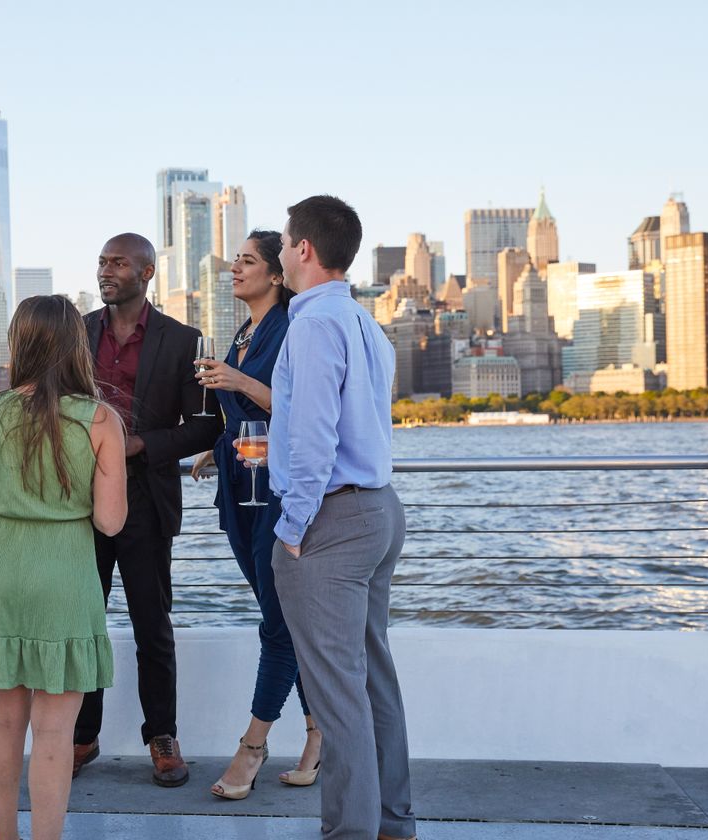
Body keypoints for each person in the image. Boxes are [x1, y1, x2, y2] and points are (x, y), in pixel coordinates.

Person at [268, 195, 416, 840]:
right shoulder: (364, 323)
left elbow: (314, 435)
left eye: (281, 242)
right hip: (379, 511)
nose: (277, 252)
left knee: (338, 695)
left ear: (304, 250)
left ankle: (352, 834)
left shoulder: (313, 324)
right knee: (372, 678)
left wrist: (292, 527)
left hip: (332, 520)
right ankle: (391, 823)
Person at [0, 294, 128, 840]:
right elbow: (110, 522)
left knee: (3, 721)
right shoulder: (101, 420)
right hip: (65, 577)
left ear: (20, 344)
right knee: (54, 733)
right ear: (77, 345)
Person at [72, 232, 224, 787]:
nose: (105, 271)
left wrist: (141, 445)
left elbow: (207, 424)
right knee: (83, 624)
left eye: (117, 263)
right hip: (78, 504)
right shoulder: (77, 332)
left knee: (152, 627)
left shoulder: (183, 341)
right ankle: (82, 736)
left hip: (146, 501)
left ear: (147, 272)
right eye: (101, 261)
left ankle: (162, 734)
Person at [189, 230, 319, 800]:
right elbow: (243, 420)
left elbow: (296, 407)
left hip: (281, 494)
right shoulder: (243, 332)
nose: (234, 269)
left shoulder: (293, 330)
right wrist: (213, 450)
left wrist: (237, 380)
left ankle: (253, 746)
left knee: (278, 623)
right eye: (234, 261)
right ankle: (318, 735)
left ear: (275, 273)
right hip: (240, 489)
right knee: (283, 618)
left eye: (247, 261)